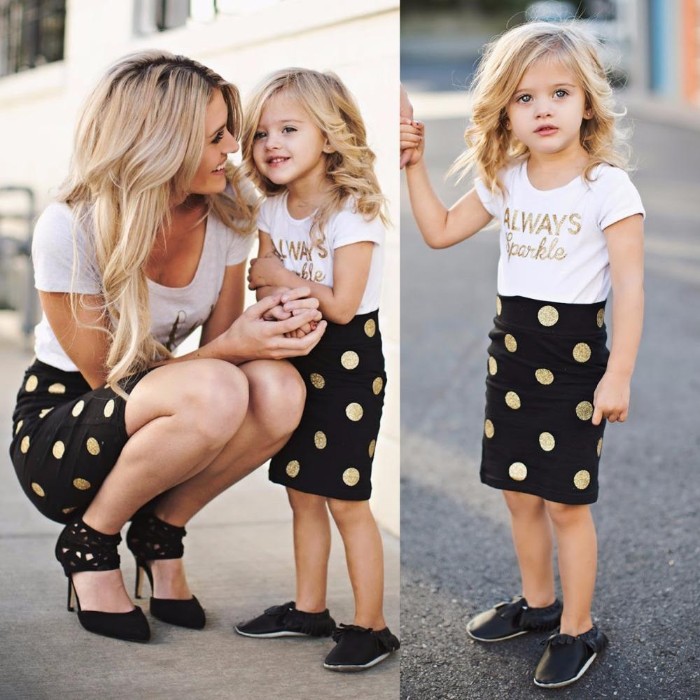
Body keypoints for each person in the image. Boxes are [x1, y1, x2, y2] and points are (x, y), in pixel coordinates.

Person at [9, 50, 327, 644]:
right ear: (160, 142)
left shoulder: (229, 214)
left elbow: (229, 343)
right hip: (66, 423)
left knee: (279, 390)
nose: (234, 146)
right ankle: (90, 539)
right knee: (216, 386)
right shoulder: (72, 224)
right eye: (214, 136)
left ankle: (160, 530)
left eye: (230, 130)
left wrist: (280, 321)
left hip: (170, 399)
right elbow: (107, 374)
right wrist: (233, 348)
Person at [400, 22, 644, 689]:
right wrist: (414, 166)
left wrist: (617, 372)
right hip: (510, 354)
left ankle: (578, 627)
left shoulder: (608, 188)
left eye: (559, 93)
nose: (542, 108)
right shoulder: (506, 177)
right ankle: (539, 607)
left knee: (566, 502)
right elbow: (441, 231)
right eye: (524, 97)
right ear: (506, 109)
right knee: (516, 491)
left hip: (574, 364)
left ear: (587, 102)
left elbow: (629, 286)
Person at [233, 68, 400, 672]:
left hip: (350, 364)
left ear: (329, 136)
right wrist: (279, 287)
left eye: (289, 128)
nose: (271, 142)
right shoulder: (273, 208)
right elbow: (261, 281)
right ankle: (309, 610)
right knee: (302, 492)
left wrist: (282, 278)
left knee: (346, 498)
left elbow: (343, 304)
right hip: (297, 358)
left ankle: (372, 625)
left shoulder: (354, 210)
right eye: (260, 133)